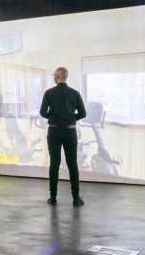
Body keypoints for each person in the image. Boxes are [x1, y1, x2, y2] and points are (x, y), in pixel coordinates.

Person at [39, 66, 87, 207]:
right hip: (70, 131)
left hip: (54, 131)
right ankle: (76, 199)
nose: (54, 77)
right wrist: (72, 119)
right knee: (73, 164)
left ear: (58, 76)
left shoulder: (49, 93)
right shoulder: (75, 93)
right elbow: (83, 113)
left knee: (54, 164)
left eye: (54, 75)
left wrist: (52, 117)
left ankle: (53, 198)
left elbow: (42, 112)